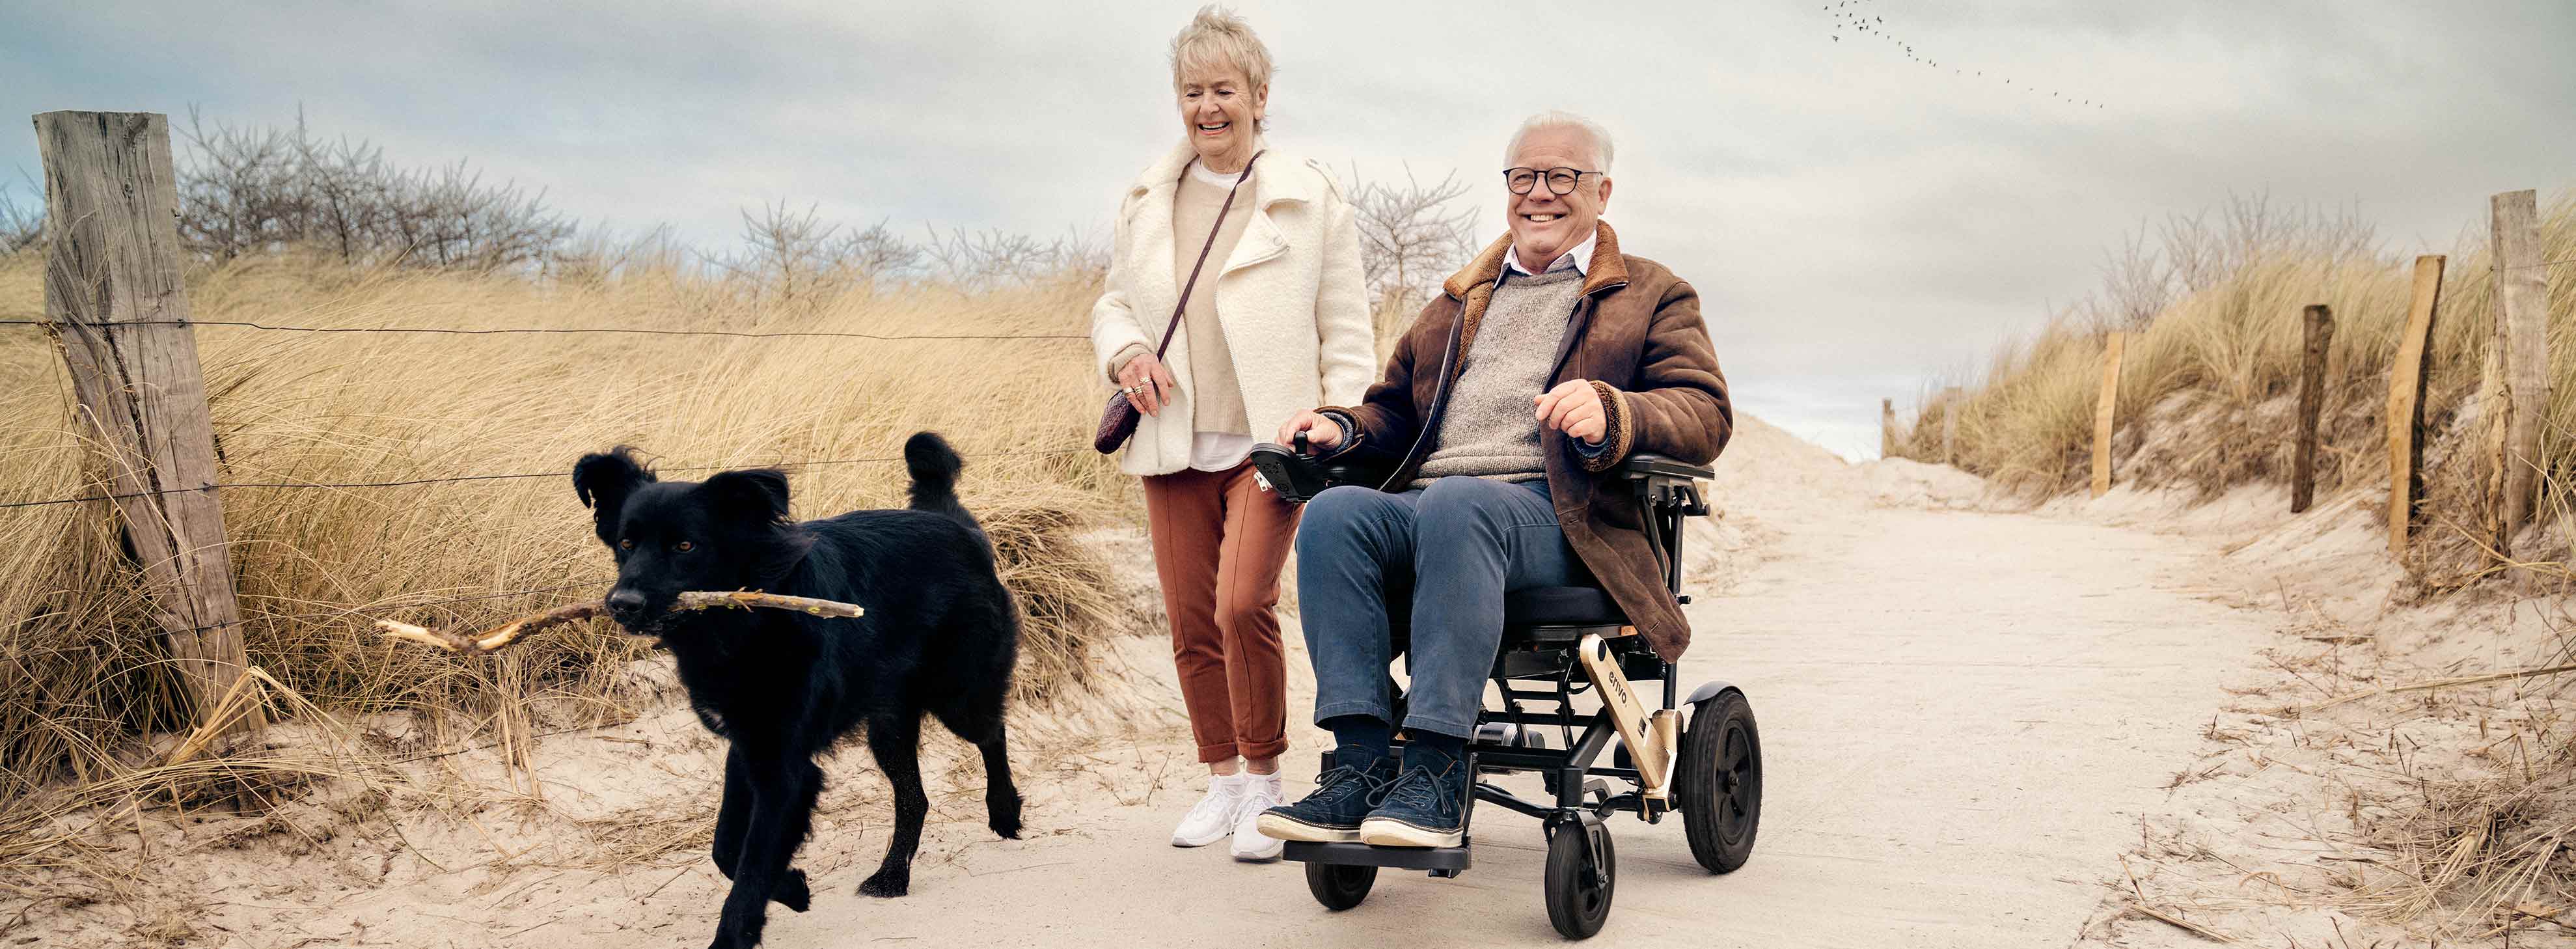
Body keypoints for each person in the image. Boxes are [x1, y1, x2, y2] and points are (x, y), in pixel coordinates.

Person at [1257, 111, 1731, 849]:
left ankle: (1439, 775)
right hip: (1434, 512)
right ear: (1507, 188)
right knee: (1336, 514)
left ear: (1601, 193)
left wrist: (1615, 411)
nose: (1539, 193)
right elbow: (1391, 416)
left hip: (1564, 520)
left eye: (1562, 177)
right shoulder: (1455, 305)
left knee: (1459, 502)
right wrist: (1341, 429)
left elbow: (1703, 412)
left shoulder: (1651, 294)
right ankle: (1357, 766)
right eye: (1523, 177)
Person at [1088, 5, 1375, 862]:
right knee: (1187, 620)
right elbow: (1110, 301)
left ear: (1257, 94)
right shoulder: (1147, 196)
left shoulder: (1306, 196)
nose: (1206, 106)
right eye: (1190, 92)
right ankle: (1220, 780)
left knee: (1241, 603)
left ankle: (1266, 781)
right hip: (1170, 439)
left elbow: (1347, 328)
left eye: (1222, 89)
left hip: (1269, 444)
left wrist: (1338, 416)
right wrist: (1127, 349)